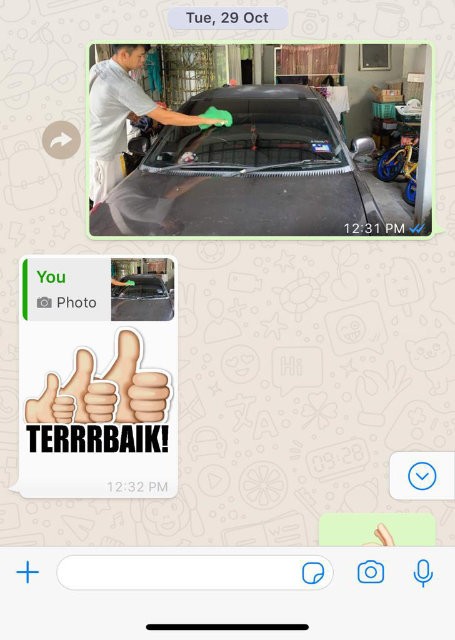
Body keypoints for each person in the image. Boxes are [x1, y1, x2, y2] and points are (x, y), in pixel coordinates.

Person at [89, 43, 228, 205]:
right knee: (106, 205)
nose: (144, 60)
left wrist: (127, 113)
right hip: (103, 155)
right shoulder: (121, 83)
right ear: (124, 54)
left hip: (98, 148)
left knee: (115, 201)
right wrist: (205, 119)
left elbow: (101, 102)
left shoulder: (100, 68)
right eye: (140, 56)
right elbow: (165, 118)